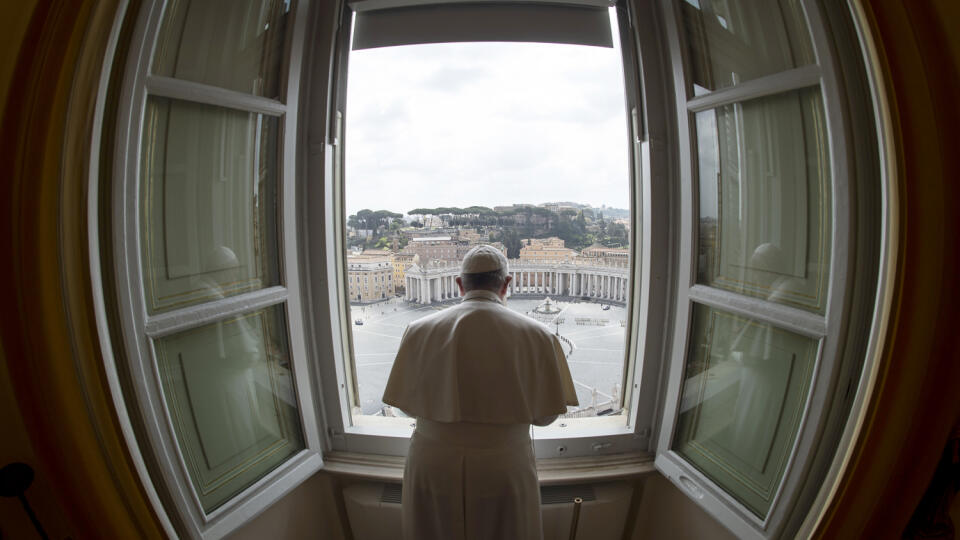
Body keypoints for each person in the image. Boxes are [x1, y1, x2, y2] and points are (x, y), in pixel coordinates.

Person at [382, 245, 578, 540]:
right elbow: (546, 416)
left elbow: (406, 406)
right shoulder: (540, 336)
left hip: (432, 463)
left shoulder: (417, 329)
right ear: (507, 284)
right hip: (503, 466)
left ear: (459, 285)